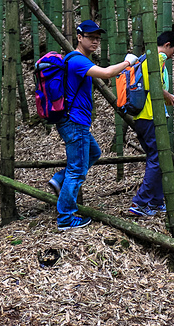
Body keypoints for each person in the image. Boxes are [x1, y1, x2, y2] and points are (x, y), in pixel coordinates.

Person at [47, 20, 138, 230]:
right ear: (79, 37)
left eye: (98, 38)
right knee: (77, 170)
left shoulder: (77, 59)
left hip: (76, 121)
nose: (95, 41)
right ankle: (66, 218)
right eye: (91, 37)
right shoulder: (78, 60)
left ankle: (60, 180)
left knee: (94, 153)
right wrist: (128, 63)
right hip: (74, 122)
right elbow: (106, 73)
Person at [126, 30, 174, 217]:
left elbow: (153, 89)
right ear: (167, 45)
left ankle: (156, 201)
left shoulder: (144, 58)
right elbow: (155, 85)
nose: (173, 55)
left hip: (142, 117)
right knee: (157, 159)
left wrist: (169, 99)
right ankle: (140, 203)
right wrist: (169, 95)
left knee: (156, 159)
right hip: (150, 117)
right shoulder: (157, 58)